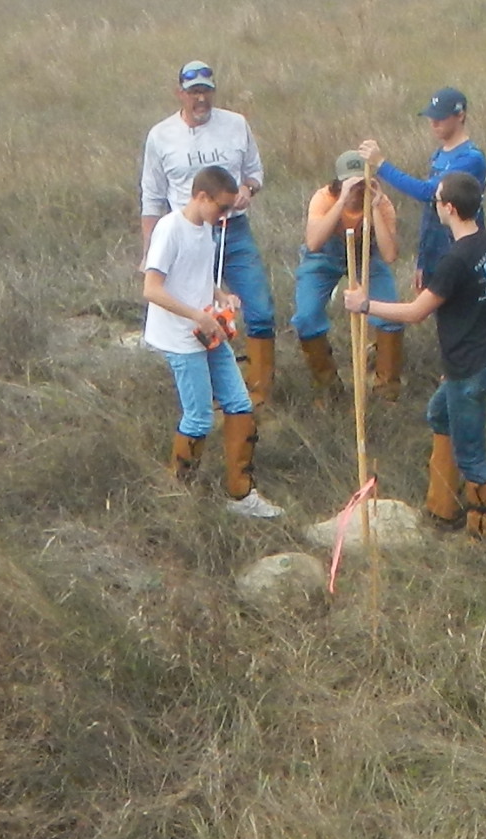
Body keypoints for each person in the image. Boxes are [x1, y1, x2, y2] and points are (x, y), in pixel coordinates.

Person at [364, 171, 486, 539]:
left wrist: (364, 305)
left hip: (469, 369)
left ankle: (483, 532)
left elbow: (415, 313)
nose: (434, 204)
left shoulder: (456, 261)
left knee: (472, 454)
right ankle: (443, 505)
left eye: (438, 199)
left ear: (449, 208)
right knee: (438, 414)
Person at [138, 163, 279, 517]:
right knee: (199, 418)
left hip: (209, 332)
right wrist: (196, 315)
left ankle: (241, 494)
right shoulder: (170, 230)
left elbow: (198, 277)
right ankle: (178, 493)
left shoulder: (206, 229)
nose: (225, 216)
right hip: (182, 338)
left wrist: (221, 298)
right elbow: (152, 288)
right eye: (221, 207)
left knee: (240, 404)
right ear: (201, 197)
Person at [138, 62, 278, 403]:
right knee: (196, 317)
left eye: (206, 91)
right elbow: (152, 197)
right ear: (180, 94)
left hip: (234, 230)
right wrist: (149, 250)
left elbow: (255, 172)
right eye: (193, 92)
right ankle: (206, 393)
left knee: (259, 310)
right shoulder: (161, 136)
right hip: (186, 235)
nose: (201, 99)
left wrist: (248, 188)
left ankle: (257, 397)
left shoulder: (236, 124)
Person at [351, 88, 482, 401]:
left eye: (441, 118)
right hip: (438, 250)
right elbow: (430, 214)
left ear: (460, 116)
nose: (434, 124)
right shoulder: (439, 155)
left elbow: (429, 194)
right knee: (443, 318)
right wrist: (423, 261)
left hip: (461, 252)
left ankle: (463, 381)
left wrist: (383, 165)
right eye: (431, 118)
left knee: (462, 318)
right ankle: (450, 377)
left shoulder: (471, 159)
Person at [288, 157, 398, 402]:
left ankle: (386, 388)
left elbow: (390, 255)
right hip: (324, 254)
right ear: (339, 181)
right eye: (351, 183)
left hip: (365, 254)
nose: (358, 189)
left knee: (391, 314)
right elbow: (314, 243)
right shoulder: (323, 198)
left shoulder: (382, 202)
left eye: (362, 182)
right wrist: (341, 202)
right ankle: (328, 387)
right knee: (306, 317)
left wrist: (376, 208)